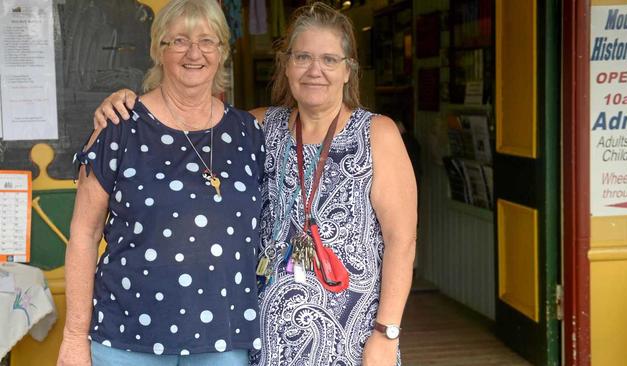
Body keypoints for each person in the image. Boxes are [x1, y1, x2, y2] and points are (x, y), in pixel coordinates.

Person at [93, 3, 416, 365]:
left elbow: (401, 241)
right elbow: (189, 122)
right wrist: (126, 105)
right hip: (266, 336)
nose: (315, 71)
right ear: (286, 65)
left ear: (348, 70)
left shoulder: (376, 134)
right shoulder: (257, 128)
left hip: (351, 336)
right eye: (303, 57)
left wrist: (387, 332)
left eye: (329, 60)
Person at [57, 1, 264, 365]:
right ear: (158, 49)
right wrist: (74, 338)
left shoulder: (248, 132)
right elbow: (84, 235)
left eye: (207, 40)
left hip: (224, 339)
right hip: (128, 339)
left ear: (222, 52)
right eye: (179, 41)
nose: (194, 53)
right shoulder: (119, 126)